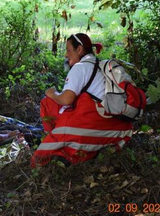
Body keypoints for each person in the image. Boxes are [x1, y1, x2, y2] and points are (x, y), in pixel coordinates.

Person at [31, 33, 133, 167]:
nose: (66, 55)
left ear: (79, 50)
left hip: (98, 123)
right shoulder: (98, 64)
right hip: (120, 127)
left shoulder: (80, 68)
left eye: (68, 50)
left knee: (48, 103)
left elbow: (66, 100)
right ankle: (79, 149)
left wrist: (52, 93)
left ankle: (56, 150)